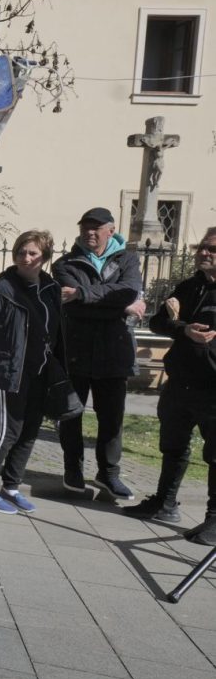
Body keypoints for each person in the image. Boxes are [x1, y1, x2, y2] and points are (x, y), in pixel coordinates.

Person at [124, 227, 216, 542]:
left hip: (212, 387)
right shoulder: (191, 286)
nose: (204, 253)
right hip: (181, 382)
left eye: (212, 249)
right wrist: (182, 328)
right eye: (203, 247)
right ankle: (165, 502)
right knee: (173, 445)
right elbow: (158, 321)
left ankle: (214, 520)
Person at [52, 207, 145, 501]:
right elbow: (72, 305)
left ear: (111, 229)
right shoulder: (65, 263)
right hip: (76, 350)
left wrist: (85, 294)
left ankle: (109, 474)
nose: (90, 232)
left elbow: (128, 291)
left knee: (112, 418)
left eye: (96, 227)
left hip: (115, 351)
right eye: (85, 227)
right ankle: (73, 469)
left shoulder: (128, 259)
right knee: (71, 414)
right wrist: (118, 306)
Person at [0, 230, 64, 515]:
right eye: (21, 252)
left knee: (29, 430)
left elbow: (56, 329)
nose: (26, 258)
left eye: (33, 253)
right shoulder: (1, 289)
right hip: (8, 371)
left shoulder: (51, 289)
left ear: (45, 258)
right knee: (7, 430)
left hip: (40, 371)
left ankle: (11, 486)